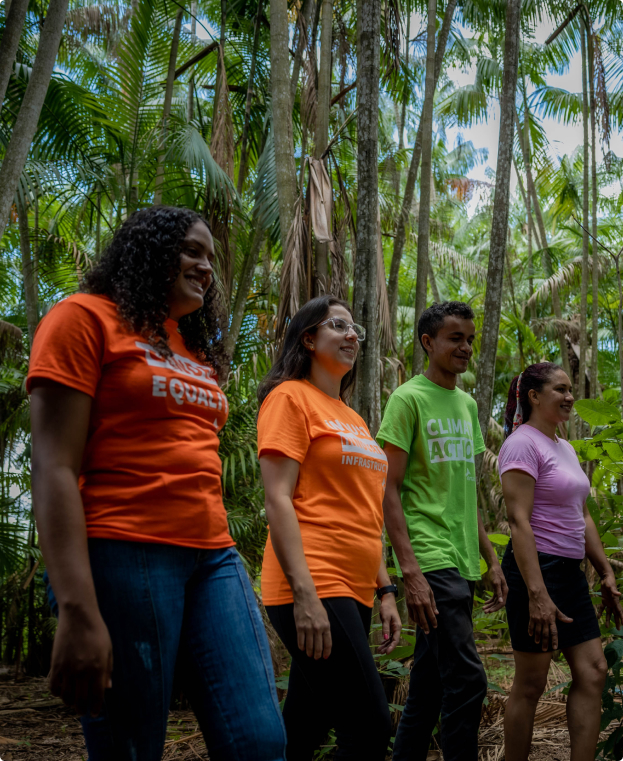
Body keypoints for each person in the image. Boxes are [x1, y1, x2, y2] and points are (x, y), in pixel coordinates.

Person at [28, 206, 286, 761]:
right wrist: (76, 610)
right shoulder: (82, 318)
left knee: (260, 743)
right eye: (192, 250)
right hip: (123, 550)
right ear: (147, 251)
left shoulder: (190, 346)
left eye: (212, 257)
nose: (206, 266)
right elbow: (52, 467)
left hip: (213, 557)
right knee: (131, 747)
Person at [256, 295, 401, 760]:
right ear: (309, 338)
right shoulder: (289, 398)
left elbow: (364, 510)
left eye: (355, 326)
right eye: (338, 325)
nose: (352, 334)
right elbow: (277, 498)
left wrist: (385, 589)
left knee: (303, 729)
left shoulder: (353, 417)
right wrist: (305, 594)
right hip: (315, 580)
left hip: (354, 587)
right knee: (370, 727)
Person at [377, 301, 508, 761]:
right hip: (430, 556)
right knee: (469, 679)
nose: (466, 347)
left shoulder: (467, 403)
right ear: (428, 342)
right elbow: (388, 488)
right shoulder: (407, 398)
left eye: (470, 339)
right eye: (456, 338)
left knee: (430, 685)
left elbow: (465, 488)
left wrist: (490, 558)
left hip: (462, 555)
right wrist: (408, 570)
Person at [499, 362, 623, 761]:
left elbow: (581, 514)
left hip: (569, 573)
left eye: (571, 389)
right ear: (534, 396)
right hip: (537, 570)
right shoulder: (522, 443)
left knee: (593, 672)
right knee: (532, 683)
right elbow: (518, 520)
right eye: (560, 389)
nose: (570, 396)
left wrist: (604, 571)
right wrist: (536, 593)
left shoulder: (564, 447)